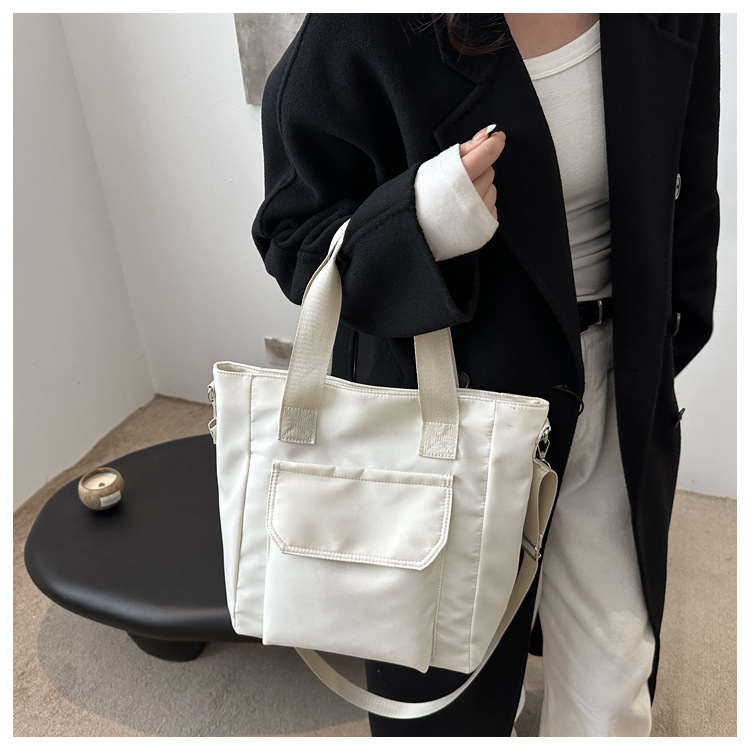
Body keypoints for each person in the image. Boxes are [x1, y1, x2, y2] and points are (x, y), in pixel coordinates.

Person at [251, 12, 721, 737]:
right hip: (450, 398)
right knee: (449, 698)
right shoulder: (367, 25)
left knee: (615, 681)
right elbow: (292, 231)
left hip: (618, 377)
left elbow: (689, 184)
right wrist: (416, 224)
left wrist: (674, 333)